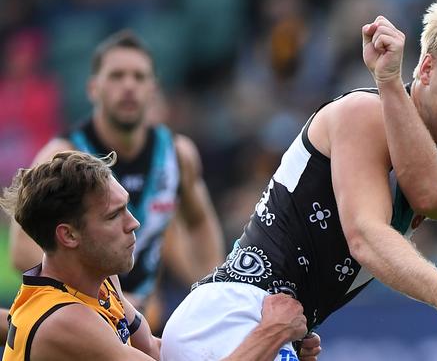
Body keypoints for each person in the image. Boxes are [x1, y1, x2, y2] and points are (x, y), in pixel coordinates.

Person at [161, 0, 437, 359]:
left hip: (275, 328)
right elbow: (366, 238)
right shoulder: (363, 112)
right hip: (232, 316)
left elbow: (430, 195)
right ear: (427, 68)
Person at [0, 151, 319, 360]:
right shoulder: (65, 320)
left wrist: (274, 349)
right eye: (114, 216)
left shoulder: (98, 281)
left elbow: (155, 349)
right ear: (68, 235)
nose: (133, 223)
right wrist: (272, 331)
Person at [8, 29, 225, 310]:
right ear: (93, 88)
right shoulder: (60, 157)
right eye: (116, 76)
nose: (128, 86)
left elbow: (199, 222)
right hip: (82, 311)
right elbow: (21, 249)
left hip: (146, 316)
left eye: (139, 77)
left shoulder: (177, 154)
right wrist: (107, 297)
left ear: (153, 89)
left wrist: (211, 292)